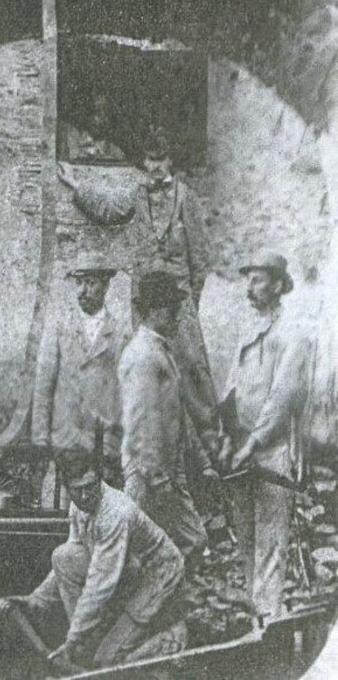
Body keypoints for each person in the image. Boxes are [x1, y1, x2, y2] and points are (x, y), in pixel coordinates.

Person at [60, 126, 219, 466]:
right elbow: (108, 207)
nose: (155, 166)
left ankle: (211, 452)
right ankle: (151, 449)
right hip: (145, 303)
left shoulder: (186, 198)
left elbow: (201, 257)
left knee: (192, 368)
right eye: (149, 159)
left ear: (170, 160)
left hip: (178, 301)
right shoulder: (135, 194)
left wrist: (189, 301)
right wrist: (77, 186)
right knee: (146, 367)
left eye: (160, 159)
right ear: (144, 162)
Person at [0, 447, 186, 671]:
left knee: (106, 661)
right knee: (63, 556)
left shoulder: (116, 512)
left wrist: (72, 640)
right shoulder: (79, 507)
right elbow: (67, 561)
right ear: (68, 488)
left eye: (90, 487)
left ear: (99, 479)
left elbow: (101, 584)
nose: (85, 496)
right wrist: (36, 600)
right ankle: (87, 643)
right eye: (77, 490)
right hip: (128, 567)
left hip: (158, 574)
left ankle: (170, 639)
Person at [219, 251, 311, 620]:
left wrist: (253, 444)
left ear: (277, 284)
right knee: (247, 542)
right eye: (248, 280)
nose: (250, 287)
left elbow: (281, 399)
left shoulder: (293, 334)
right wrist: (228, 437)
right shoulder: (247, 329)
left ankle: (268, 625)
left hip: (273, 453)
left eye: (257, 280)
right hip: (242, 451)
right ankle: (254, 623)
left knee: (271, 546)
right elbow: (231, 388)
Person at [118, 271, 209, 561]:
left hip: (167, 469)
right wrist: (157, 479)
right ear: (156, 311)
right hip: (146, 474)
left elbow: (177, 413)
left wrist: (203, 463)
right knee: (131, 549)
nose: (178, 318)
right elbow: (140, 423)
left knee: (190, 540)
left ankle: (161, 598)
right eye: (173, 310)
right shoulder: (143, 355)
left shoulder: (159, 350)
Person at [33, 253, 129, 499]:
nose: (83, 290)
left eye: (91, 283)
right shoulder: (59, 328)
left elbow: (125, 395)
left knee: (101, 515)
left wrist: (116, 441)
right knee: (56, 512)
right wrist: (41, 439)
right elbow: (44, 386)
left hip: (103, 448)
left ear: (106, 285)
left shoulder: (118, 333)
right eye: (79, 282)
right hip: (64, 442)